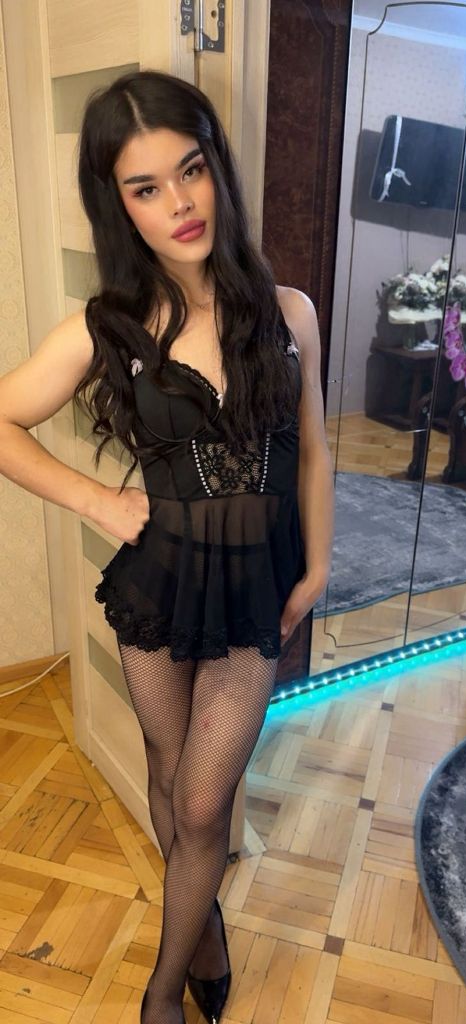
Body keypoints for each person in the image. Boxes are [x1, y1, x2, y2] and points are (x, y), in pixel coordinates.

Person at [0, 70, 334, 1024]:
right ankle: (205, 932)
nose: (179, 203)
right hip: (158, 585)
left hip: (254, 589)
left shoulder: (289, 312)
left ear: (216, 167)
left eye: (190, 170)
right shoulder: (106, 326)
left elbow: (314, 451)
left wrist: (317, 566)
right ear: (119, 202)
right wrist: (96, 501)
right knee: (164, 766)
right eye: (146, 187)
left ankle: (159, 991)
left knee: (200, 803)